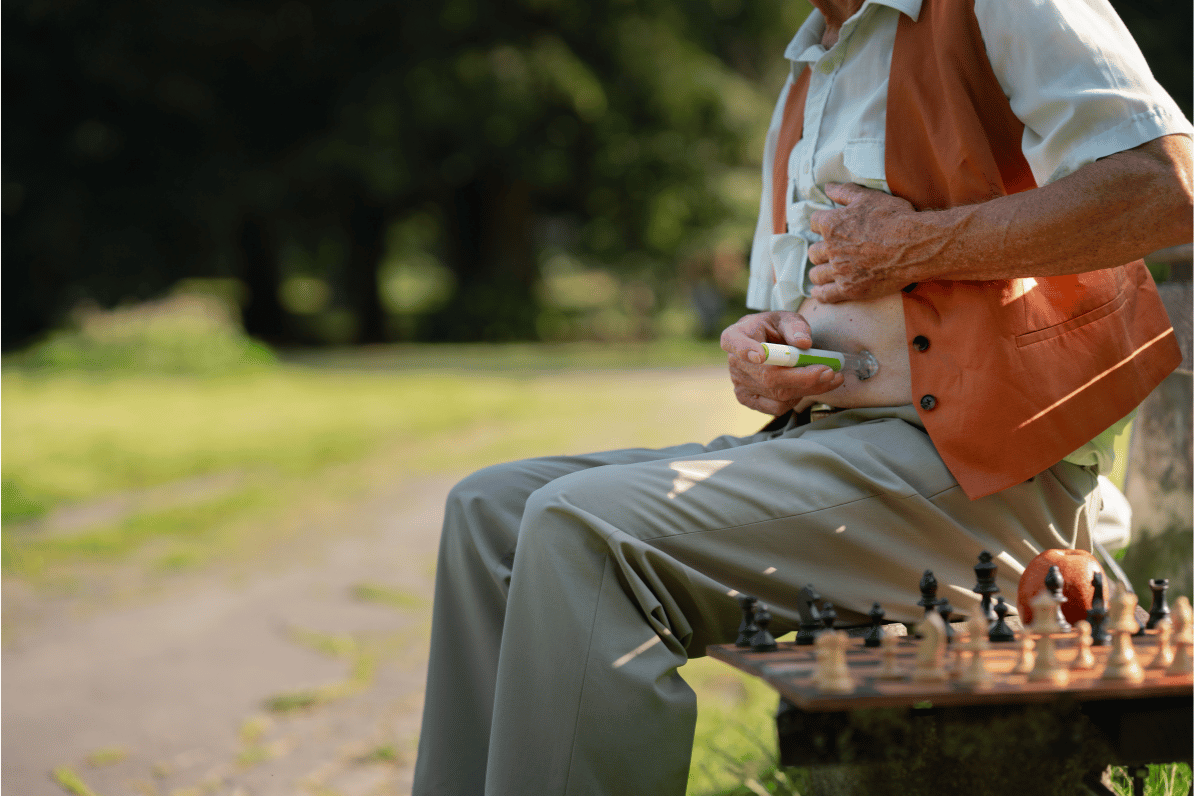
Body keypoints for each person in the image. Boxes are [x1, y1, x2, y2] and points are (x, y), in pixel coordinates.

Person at [412, 0, 1192, 793]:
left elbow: (1169, 189)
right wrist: (764, 352)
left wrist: (919, 244)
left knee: (582, 529)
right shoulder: (809, 68)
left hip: (987, 478)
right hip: (834, 455)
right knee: (491, 513)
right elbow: (795, 311)